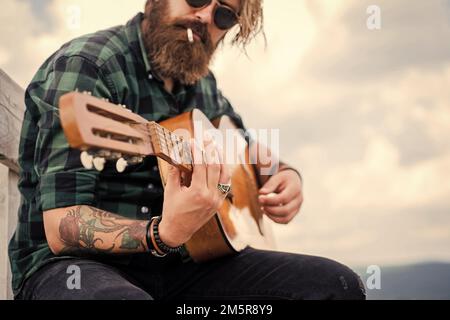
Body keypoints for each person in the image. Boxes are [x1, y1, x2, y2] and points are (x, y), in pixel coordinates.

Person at [8, 0, 366, 300]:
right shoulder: (88, 67)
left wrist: (285, 175)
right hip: (76, 269)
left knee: (336, 286)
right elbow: (63, 228)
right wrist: (162, 234)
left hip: (189, 266)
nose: (206, 16)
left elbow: (247, 149)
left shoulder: (202, 84)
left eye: (224, 14)